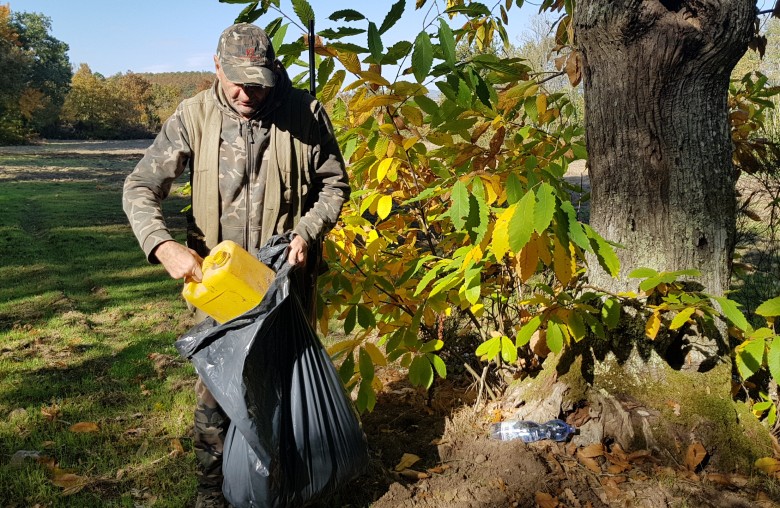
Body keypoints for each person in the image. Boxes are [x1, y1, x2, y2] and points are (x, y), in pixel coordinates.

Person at [122, 22, 350, 508]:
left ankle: (289, 485)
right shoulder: (193, 116)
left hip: (285, 283)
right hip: (218, 285)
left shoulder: (304, 112)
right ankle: (213, 492)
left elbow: (335, 186)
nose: (249, 93)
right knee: (218, 392)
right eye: (238, 81)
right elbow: (139, 187)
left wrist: (308, 231)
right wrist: (163, 246)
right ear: (217, 67)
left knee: (286, 387)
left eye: (259, 82)